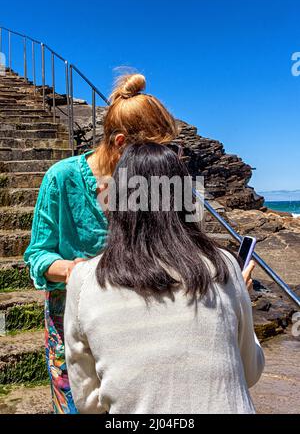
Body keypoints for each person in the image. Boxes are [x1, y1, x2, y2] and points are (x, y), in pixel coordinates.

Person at [64, 143, 265, 414]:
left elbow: (87, 401)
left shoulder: (85, 280)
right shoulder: (224, 265)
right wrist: (241, 297)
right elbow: (249, 372)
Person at [24, 73, 179, 414]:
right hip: (73, 321)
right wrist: (71, 269)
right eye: (154, 151)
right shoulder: (61, 178)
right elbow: (37, 254)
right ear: (122, 143)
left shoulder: (148, 183)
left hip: (136, 321)